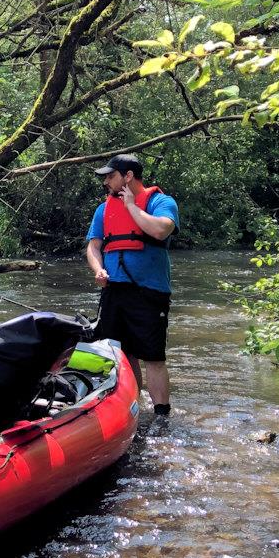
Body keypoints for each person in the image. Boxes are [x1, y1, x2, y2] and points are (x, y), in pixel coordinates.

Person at [84, 154, 178, 417]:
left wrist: (131, 207)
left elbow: (160, 230)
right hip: (114, 291)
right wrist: (98, 268)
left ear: (128, 176)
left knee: (153, 357)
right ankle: (132, 408)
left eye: (110, 176)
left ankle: (161, 415)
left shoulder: (161, 202)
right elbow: (94, 247)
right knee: (123, 356)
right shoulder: (103, 209)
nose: (106, 182)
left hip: (149, 292)